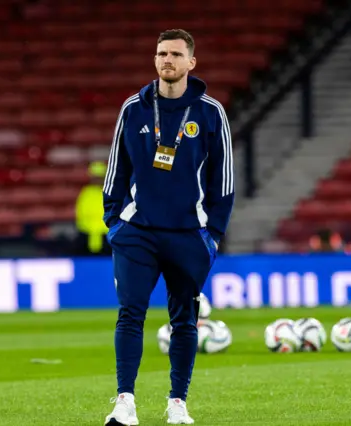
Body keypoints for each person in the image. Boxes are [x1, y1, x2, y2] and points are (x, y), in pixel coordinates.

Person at [103, 29, 234, 425]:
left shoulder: (211, 112)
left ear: (191, 63)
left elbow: (223, 178)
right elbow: (115, 171)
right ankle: (125, 402)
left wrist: (212, 234)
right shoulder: (134, 108)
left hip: (188, 235)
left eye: (176, 54)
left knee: (185, 319)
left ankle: (178, 403)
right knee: (130, 314)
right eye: (161, 53)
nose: (167, 61)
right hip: (138, 232)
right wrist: (115, 223)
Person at [74, 161, 111, 256]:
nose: (97, 179)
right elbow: (81, 216)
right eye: (95, 176)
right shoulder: (86, 193)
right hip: (88, 236)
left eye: (100, 176)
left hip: (108, 236)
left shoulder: (112, 191)